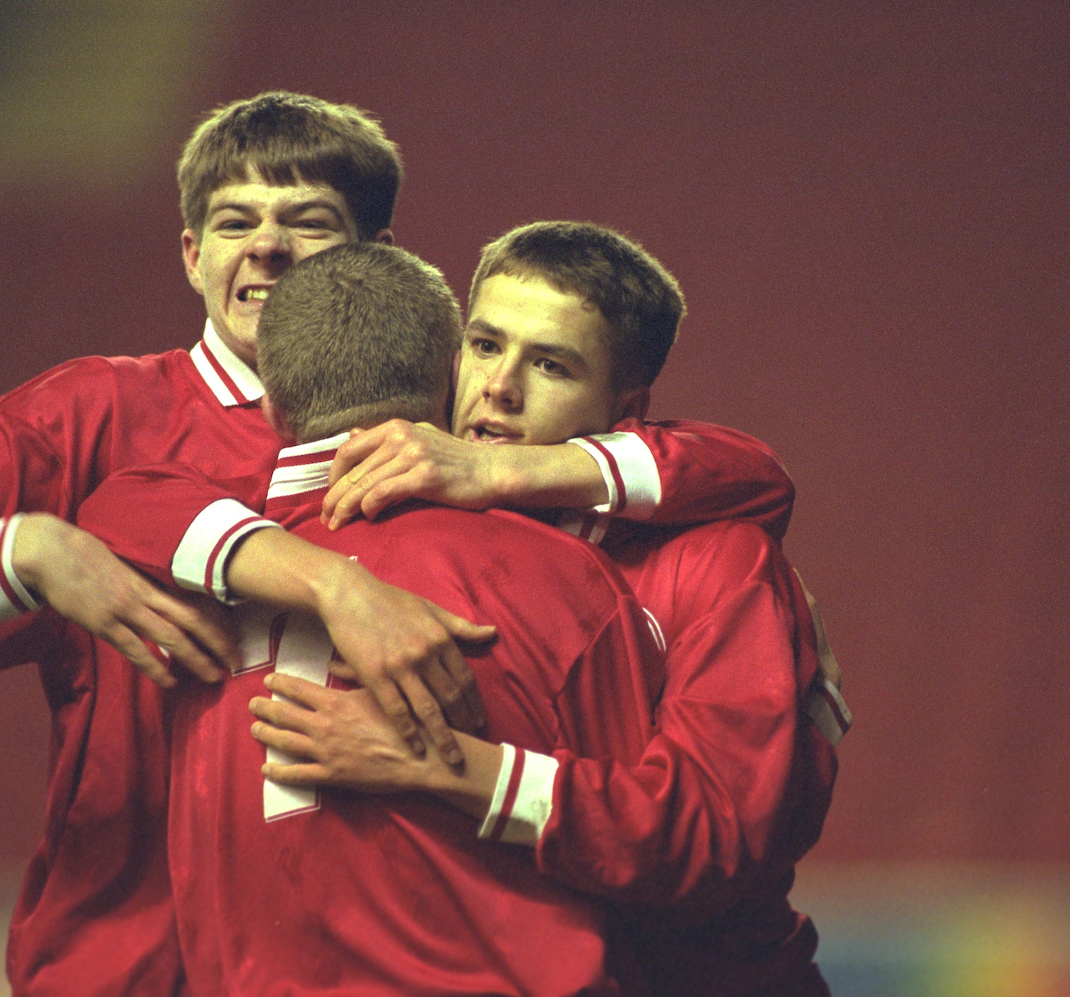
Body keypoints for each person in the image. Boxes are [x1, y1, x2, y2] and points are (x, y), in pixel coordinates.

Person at [0, 91, 498, 995]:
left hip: (383, 965)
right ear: (192, 256)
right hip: (135, 972)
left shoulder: (440, 434)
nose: (267, 248)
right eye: (234, 221)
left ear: (378, 259)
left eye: (308, 222)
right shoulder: (90, 420)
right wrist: (26, 550)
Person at [247, 222, 847, 994]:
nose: (499, 386)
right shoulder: (393, 509)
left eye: (552, 365)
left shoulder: (718, 562)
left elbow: (709, 835)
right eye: (487, 344)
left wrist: (449, 768)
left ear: (625, 407)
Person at [77, 241, 670, 994]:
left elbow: (107, 503)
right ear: (446, 375)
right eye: (486, 348)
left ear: (270, 404)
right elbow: (648, 856)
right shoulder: (566, 582)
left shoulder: (159, 588)